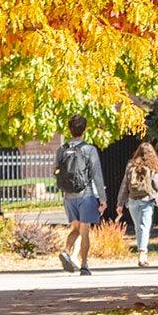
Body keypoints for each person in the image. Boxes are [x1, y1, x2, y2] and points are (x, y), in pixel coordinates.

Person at [54, 115, 108, 276]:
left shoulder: (62, 150)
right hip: (86, 194)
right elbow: (97, 176)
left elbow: (56, 171)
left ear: (69, 129)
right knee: (84, 231)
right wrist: (103, 199)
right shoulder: (89, 150)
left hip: (68, 196)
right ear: (84, 129)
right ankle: (84, 265)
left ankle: (66, 251)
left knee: (75, 228)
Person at [123, 143, 158, 267]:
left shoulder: (130, 165)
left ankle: (141, 251)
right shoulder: (153, 166)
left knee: (138, 227)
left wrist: (119, 203)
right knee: (144, 227)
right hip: (147, 200)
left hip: (132, 200)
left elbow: (124, 186)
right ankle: (142, 254)